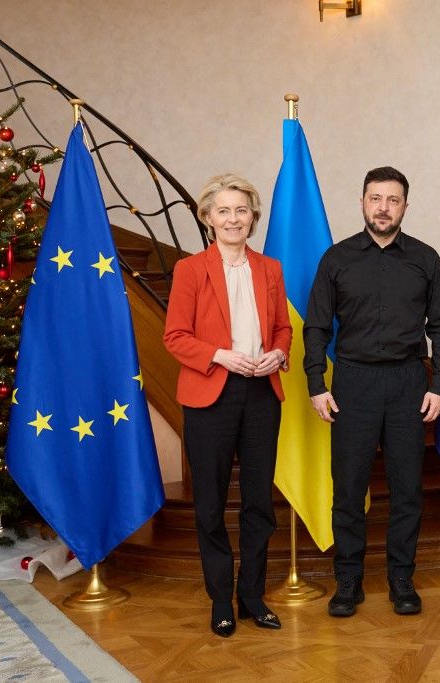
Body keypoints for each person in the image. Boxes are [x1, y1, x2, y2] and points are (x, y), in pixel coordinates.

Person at [304, 166, 440, 618]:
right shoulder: (337, 259)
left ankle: (401, 581)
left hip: (410, 381)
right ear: (362, 202)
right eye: (375, 198)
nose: (383, 207)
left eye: (392, 200)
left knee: (407, 489)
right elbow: (315, 326)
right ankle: (347, 582)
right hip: (353, 382)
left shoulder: (425, 259)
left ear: (405, 206)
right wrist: (316, 383)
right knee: (348, 489)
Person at [163, 174, 292, 638]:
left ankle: (252, 596)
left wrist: (279, 353)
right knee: (210, 505)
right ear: (208, 218)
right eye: (224, 211)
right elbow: (174, 336)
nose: (233, 218)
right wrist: (219, 354)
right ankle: (221, 599)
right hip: (209, 393)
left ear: (253, 217)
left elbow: (282, 330)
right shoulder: (190, 270)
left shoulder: (270, 269)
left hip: (261, 394)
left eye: (241, 210)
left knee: (259, 503)